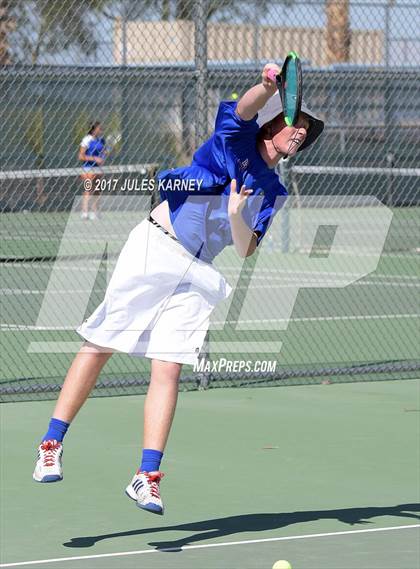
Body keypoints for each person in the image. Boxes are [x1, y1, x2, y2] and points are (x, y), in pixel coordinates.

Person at [33, 63, 324, 515]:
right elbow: (244, 108)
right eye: (297, 124)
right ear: (275, 121)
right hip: (156, 247)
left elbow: (246, 248)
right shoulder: (235, 139)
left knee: (168, 370)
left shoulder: (273, 189)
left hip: (198, 272)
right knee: (99, 345)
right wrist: (267, 86)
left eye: (306, 132)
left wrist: (234, 215)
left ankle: (146, 476)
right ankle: (51, 442)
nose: (301, 134)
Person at [78, 121, 106, 220]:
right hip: (88, 169)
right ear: (93, 129)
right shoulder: (87, 140)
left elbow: (103, 153)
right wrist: (94, 159)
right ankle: (85, 212)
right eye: (99, 128)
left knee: (98, 190)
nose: (101, 130)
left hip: (98, 169)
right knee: (88, 189)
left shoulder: (101, 140)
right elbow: (81, 156)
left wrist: (103, 157)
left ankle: (95, 212)